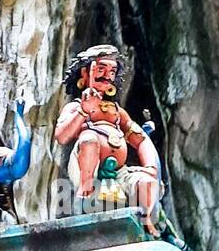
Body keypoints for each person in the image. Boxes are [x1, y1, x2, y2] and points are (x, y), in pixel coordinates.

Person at [54, 45, 161, 234]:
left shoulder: (118, 113)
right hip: (86, 168)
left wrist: (150, 168)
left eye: (111, 71)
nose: (106, 75)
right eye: (101, 69)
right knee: (88, 138)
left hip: (120, 172)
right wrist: (84, 111)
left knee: (146, 182)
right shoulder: (76, 107)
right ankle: (86, 189)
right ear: (85, 73)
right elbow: (62, 136)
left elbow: (141, 139)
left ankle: (146, 221)